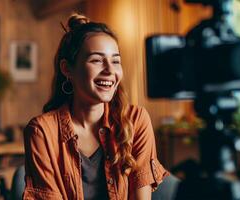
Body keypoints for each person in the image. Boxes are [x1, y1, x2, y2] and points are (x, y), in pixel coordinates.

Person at [23, 13, 169, 200]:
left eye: (116, 61)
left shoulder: (136, 121)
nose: (110, 70)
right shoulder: (42, 132)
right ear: (67, 69)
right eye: (97, 60)